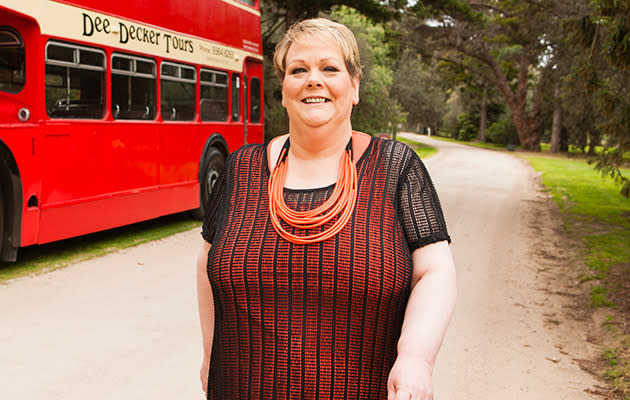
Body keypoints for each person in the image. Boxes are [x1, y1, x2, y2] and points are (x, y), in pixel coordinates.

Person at [196, 18, 456, 400]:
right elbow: (207, 267)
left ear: (354, 87)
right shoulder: (240, 169)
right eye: (298, 70)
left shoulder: (396, 168)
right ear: (283, 92)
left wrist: (417, 358)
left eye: (329, 68)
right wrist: (209, 356)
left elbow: (435, 272)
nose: (313, 80)